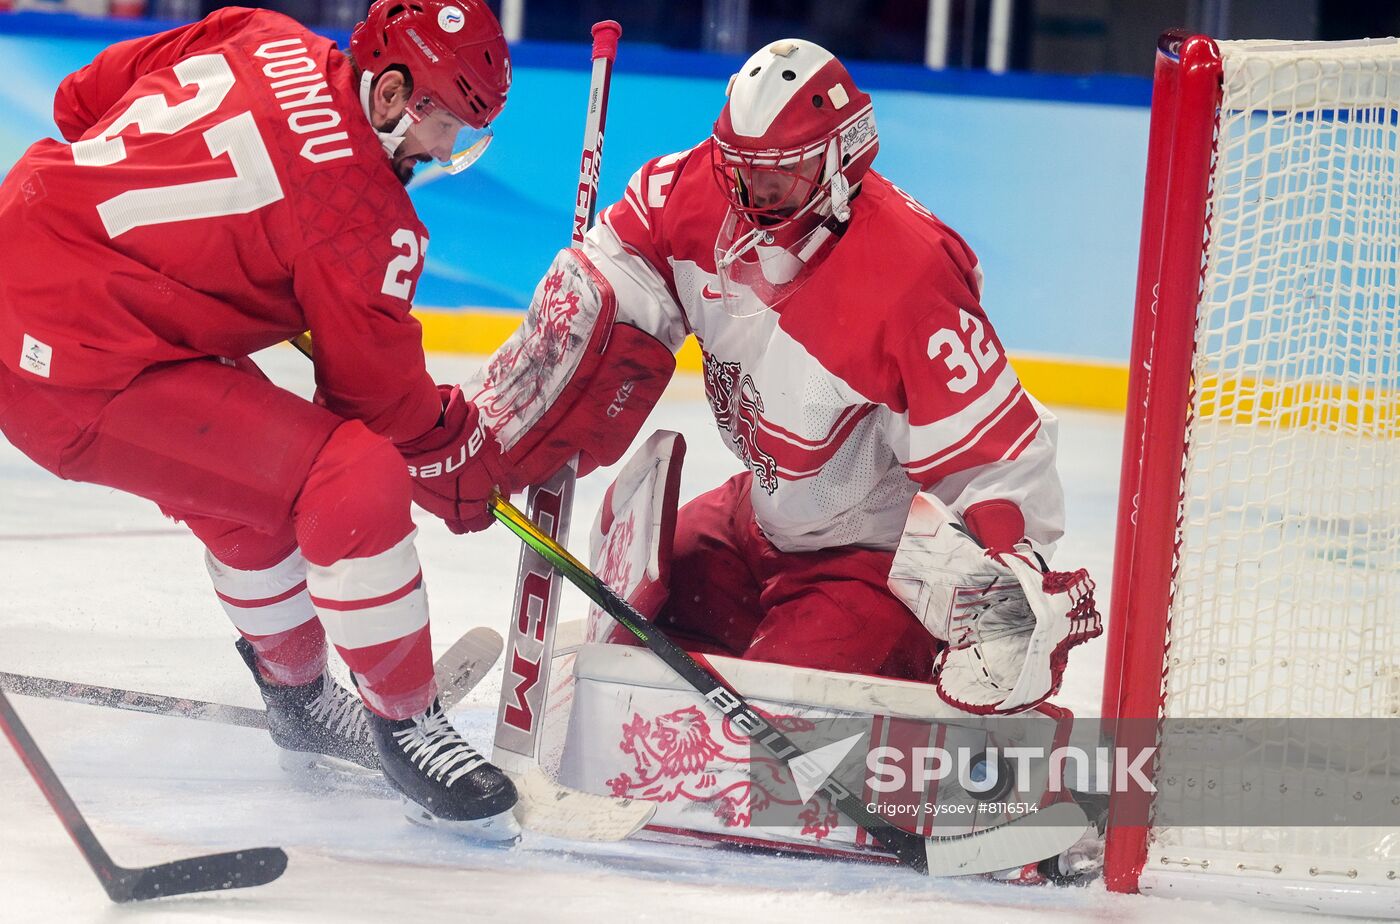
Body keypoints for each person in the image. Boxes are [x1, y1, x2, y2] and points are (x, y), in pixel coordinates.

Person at [451, 38, 1101, 719]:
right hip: (759, 520)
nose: (747, 194)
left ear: (840, 163)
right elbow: (612, 279)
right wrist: (504, 419)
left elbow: (997, 457)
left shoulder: (910, 280)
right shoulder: (691, 189)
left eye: (777, 177)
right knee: (643, 607)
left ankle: (897, 681)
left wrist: (1008, 572)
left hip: (865, 564)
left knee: (778, 723)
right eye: (737, 167)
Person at [0, 0, 519, 841]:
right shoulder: (362, 220)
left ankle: (301, 702)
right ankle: (407, 724)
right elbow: (376, 403)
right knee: (348, 474)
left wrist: (228, 256)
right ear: (389, 94)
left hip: (31, 251)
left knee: (250, 482)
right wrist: (450, 443)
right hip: (78, 364)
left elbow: (77, 101)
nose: (443, 153)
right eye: (445, 128)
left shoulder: (259, 31)